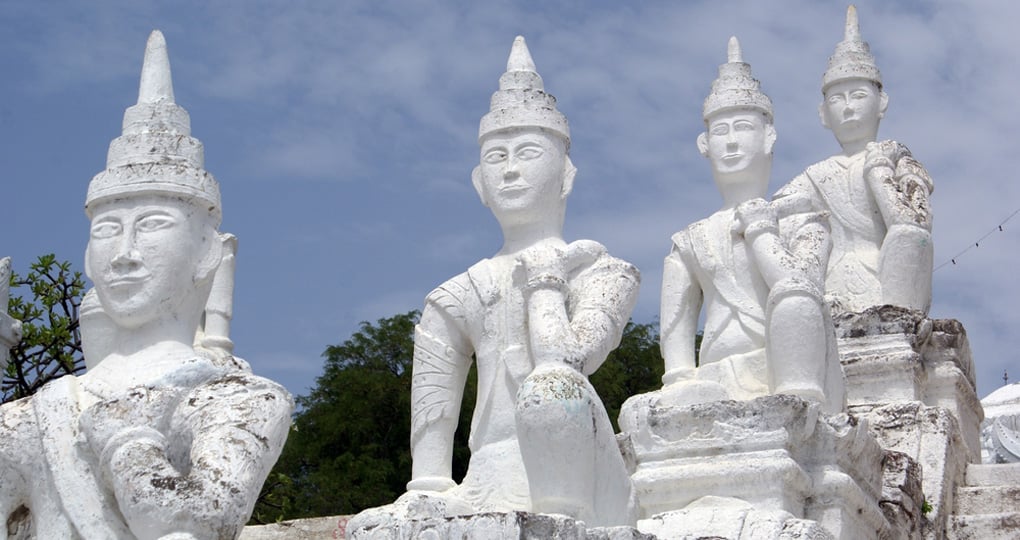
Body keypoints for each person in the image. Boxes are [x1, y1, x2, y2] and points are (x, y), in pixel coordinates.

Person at [0, 31, 292, 539]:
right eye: (107, 230)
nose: (125, 253)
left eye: (153, 224)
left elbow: (196, 518)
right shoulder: (29, 417)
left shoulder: (241, 399)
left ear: (210, 254)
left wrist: (125, 438)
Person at [353, 36, 639, 532]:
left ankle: (561, 517)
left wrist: (548, 276)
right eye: (496, 157)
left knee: (554, 386)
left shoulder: (603, 271)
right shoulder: (456, 293)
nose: (508, 170)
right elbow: (432, 424)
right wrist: (428, 487)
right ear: (478, 183)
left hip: (580, 476)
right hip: (486, 473)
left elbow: (568, 361)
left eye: (527, 152)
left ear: (566, 174)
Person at [625, 37, 842, 419]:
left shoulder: (803, 218)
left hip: (787, 372)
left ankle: (797, 406)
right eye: (719, 131)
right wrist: (679, 380)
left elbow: (800, 292)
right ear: (703, 143)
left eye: (742, 127)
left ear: (768, 136)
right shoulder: (690, 240)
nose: (730, 142)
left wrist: (760, 229)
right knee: (639, 412)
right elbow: (676, 331)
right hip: (712, 379)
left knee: (795, 293)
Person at [774, 5, 934, 315]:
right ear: (823, 114)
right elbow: (778, 212)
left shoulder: (899, 160)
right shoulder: (815, 174)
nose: (847, 108)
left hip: (888, 280)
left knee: (912, 236)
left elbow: (912, 224)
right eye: (837, 99)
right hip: (830, 284)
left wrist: (878, 168)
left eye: (858, 95)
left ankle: (898, 316)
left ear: (881, 102)